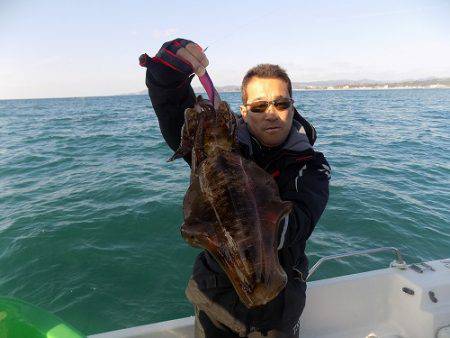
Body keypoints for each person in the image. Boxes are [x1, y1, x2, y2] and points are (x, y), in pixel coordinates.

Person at [140, 38, 330, 338]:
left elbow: (293, 226)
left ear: (293, 107)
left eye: (281, 103)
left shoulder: (311, 166)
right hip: (216, 300)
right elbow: (173, 107)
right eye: (259, 106)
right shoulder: (215, 147)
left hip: (279, 306)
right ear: (243, 111)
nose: (271, 113)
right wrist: (170, 68)